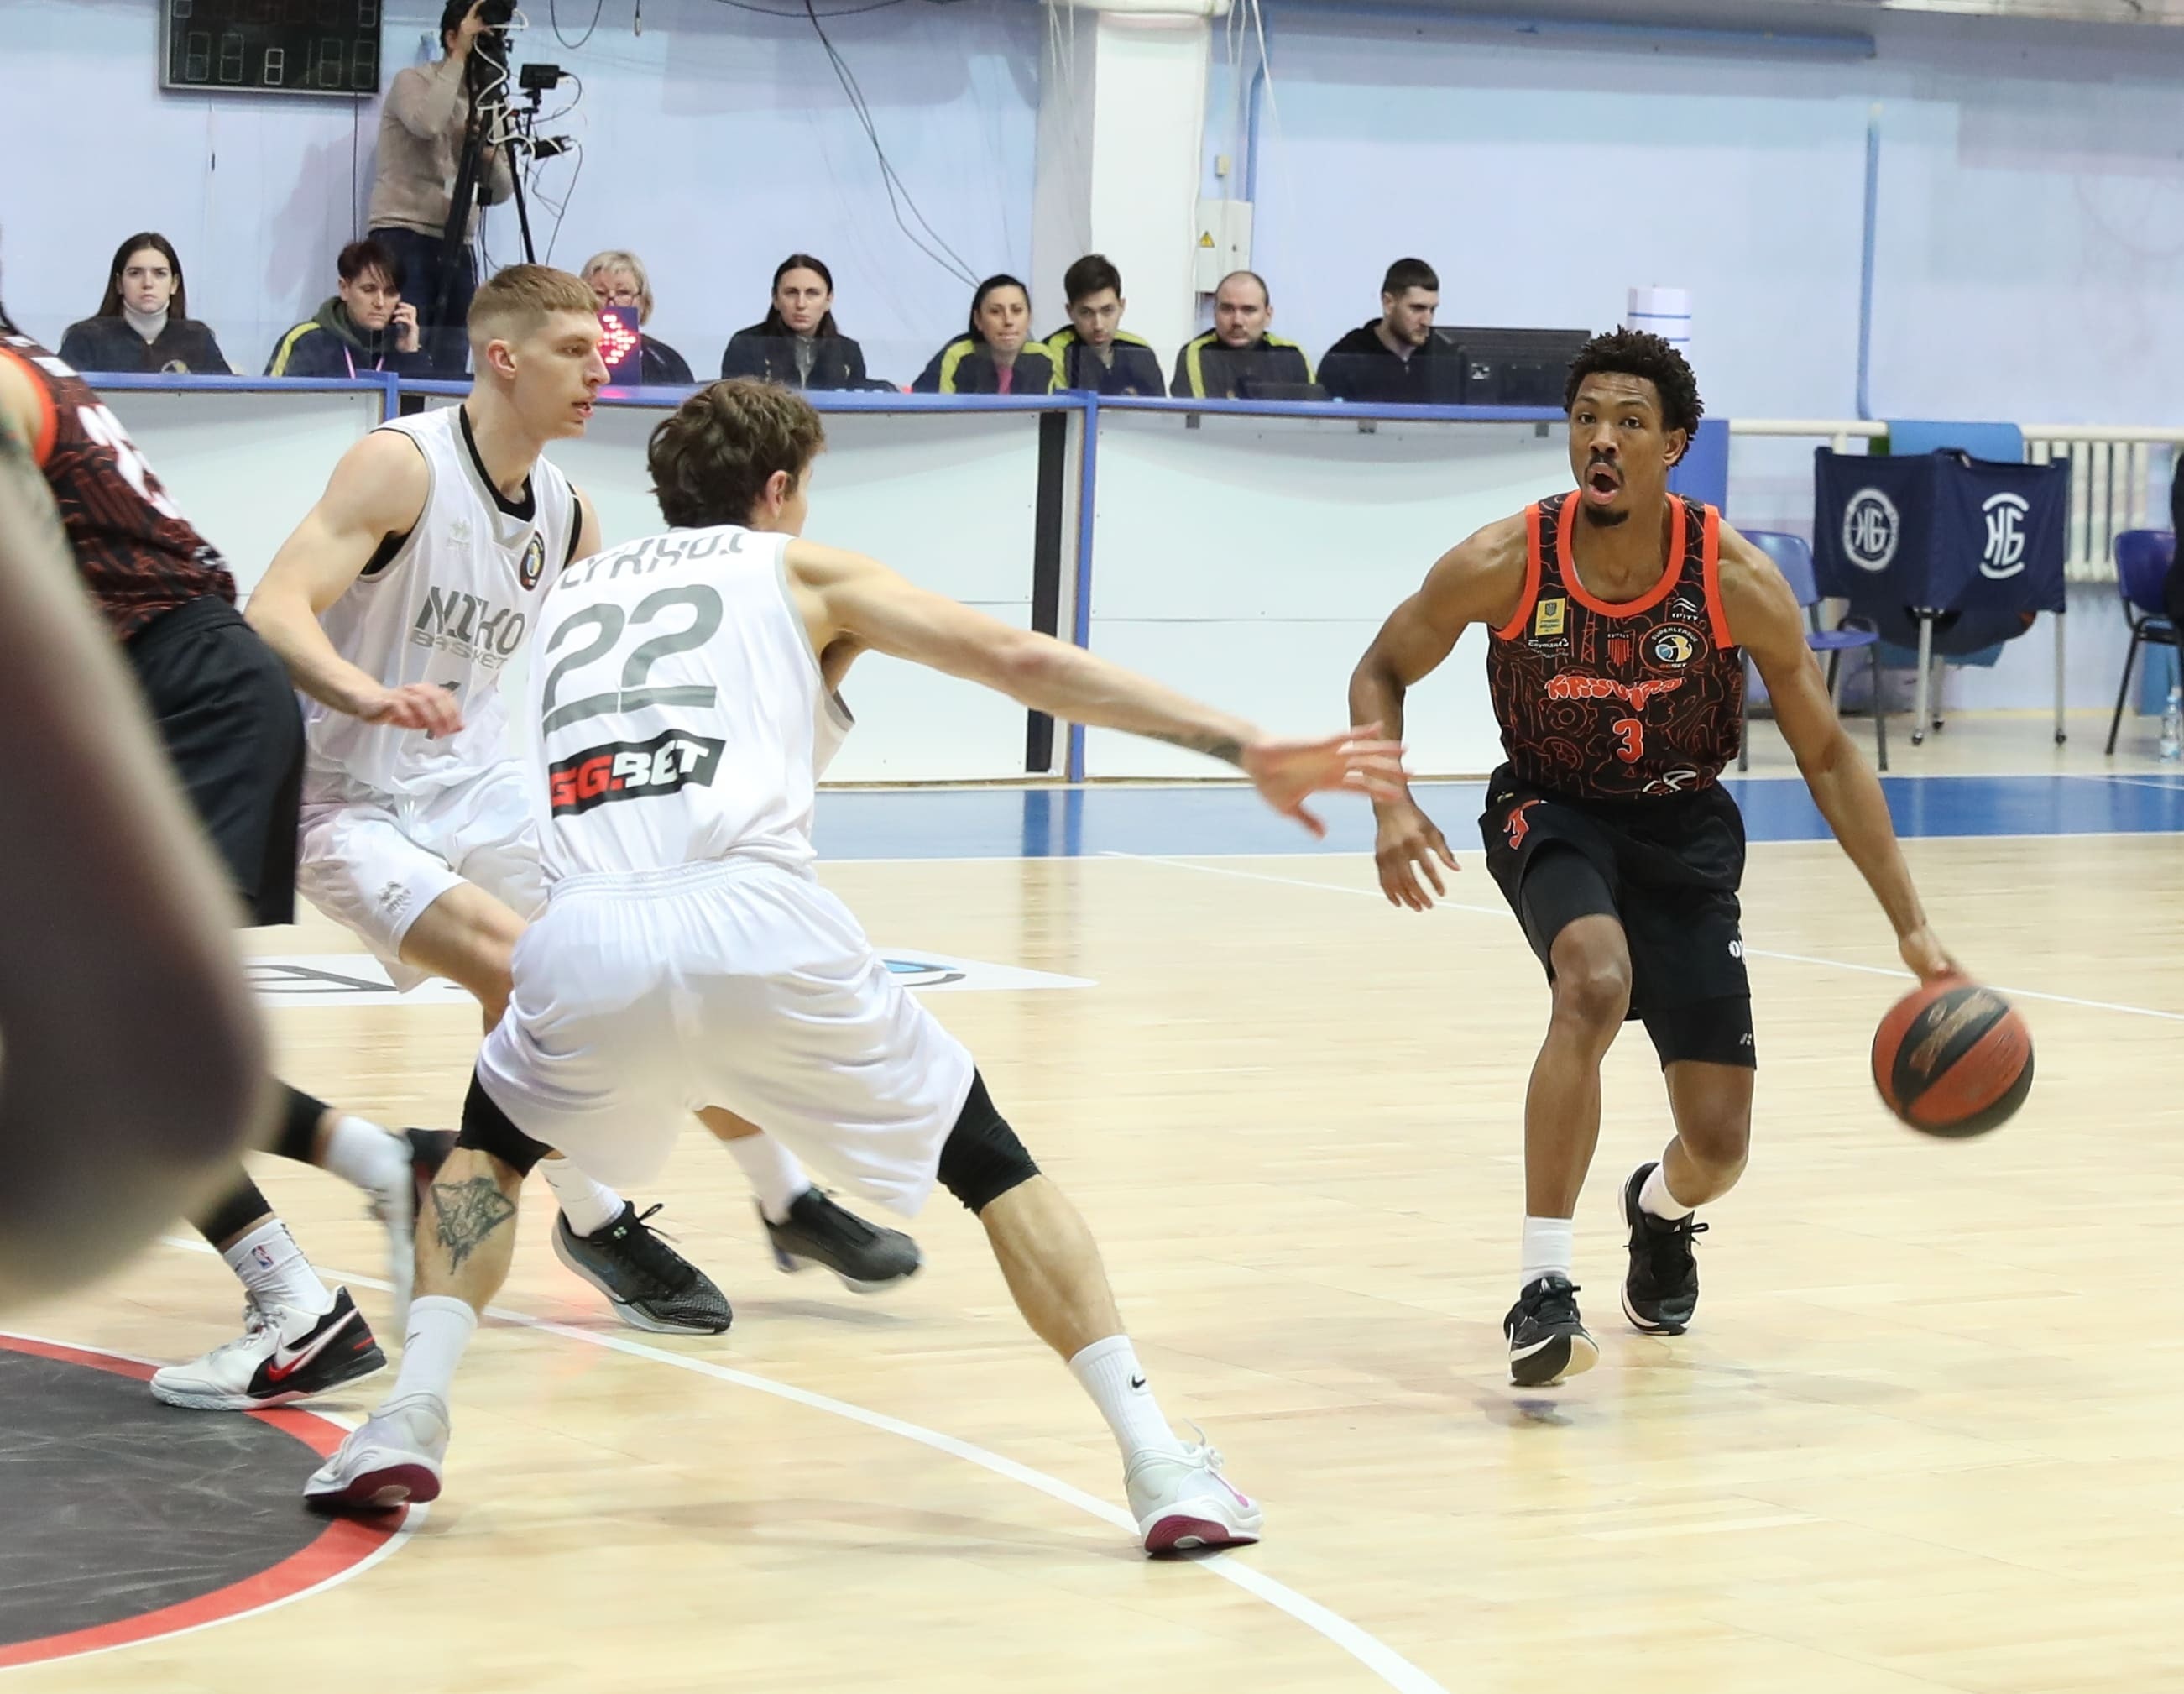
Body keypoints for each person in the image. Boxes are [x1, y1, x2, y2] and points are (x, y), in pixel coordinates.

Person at [303, 377, 1405, 1550]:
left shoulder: (571, 592)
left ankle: (408, 1417)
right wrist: (1240, 741)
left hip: (583, 933)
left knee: (489, 1153)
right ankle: (1160, 1461)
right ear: (780, 488)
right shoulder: (800, 571)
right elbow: (1014, 656)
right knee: (995, 1167)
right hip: (755, 918)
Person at [245, 264, 921, 1338]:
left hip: (475, 782)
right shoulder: (400, 465)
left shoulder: (567, 513)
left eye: (601, 349)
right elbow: (274, 607)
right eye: (573, 350)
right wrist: (363, 691)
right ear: (502, 357)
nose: (599, 369)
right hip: (344, 796)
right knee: (530, 972)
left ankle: (784, 1195)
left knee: (652, 957)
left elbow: (605, 672)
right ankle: (595, 1218)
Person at [1348, 328, 1958, 1388]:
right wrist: (1389, 803)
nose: (1602, 438)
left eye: (1629, 422)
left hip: (1683, 828)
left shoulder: (1732, 576)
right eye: (1587, 418)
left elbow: (1824, 752)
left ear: (1673, 445)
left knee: (1718, 1147)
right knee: (1591, 980)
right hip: (1551, 808)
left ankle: (1659, 1210)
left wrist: (1910, 923)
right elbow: (1379, 669)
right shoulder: (1507, 560)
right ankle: (1543, 1283)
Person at [3, 301, 424, 1406]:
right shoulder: (32, 367)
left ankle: (321, 1264)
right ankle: (368, 1188)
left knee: (106, 1037)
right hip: (186, 692)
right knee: (98, 1035)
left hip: (181, 697)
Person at [0, 322, 269, 1311]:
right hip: (196, 666)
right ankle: (358, 1178)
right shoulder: (40, 368)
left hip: (174, 675)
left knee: (143, 1042)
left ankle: (303, 1275)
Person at [366, 0, 514, 375]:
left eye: (494, 41)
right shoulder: (413, 80)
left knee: (454, 348)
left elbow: (502, 191)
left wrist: (485, 153)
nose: (488, 49)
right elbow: (427, 124)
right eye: (479, 39)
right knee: (403, 345)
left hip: (458, 240)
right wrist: (459, 57)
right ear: (451, 37)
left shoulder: (490, 101)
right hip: (404, 232)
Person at [57, 233, 233, 375]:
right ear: (119, 284)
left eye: (159, 273)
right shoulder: (85, 339)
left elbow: (228, 400)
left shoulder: (198, 339)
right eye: (135, 273)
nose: (148, 283)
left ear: (174, 284)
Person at [265, 238, 431, 379]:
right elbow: (268, 402)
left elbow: (426, 407)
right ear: (344, 288)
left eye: (390, 293)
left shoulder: (405, 348)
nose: (380, 303)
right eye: (369, 290)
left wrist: (411, 355)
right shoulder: (305, 341)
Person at [719, 255, 873, 391]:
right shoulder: (746, 344)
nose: (801, 304)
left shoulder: (848, 352)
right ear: (775, 298)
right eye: (791, 293)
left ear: (829, 300)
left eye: (812, 293)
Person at [1317, 258, 1457, 405]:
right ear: (1388, 303)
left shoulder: (1446, 358)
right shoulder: (1345, 359)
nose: (1427, 321)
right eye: (1417, 308)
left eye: (1432, 310)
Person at [1169, 272, 1311, 400]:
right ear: (1214, 313)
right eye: (1227, 309)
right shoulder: (1198, 353)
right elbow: (1203, 416)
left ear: (1268, 315)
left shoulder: (1291, 354)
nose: (1237, 321)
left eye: (1248, 310)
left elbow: (1313, 413)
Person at [913, 274, 1058, 396]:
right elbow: (942, 415)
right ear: (978, 319)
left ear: (1029, 318)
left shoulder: (1042, 357)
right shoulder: (959, 356)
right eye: (995, 312)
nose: (1008, 321)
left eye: (1017, 310)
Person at [1042, 254, 1163, 396]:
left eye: (1107, 310)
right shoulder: (1052, 352)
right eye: (1086, 313)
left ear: (1122, 306)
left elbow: (1161, 410)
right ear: (1070, 312)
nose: (1098, 325)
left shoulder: (1140, 350)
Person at [581, 249, 693, 386]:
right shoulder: (568, 357)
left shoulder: (666, 361)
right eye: (600, 293)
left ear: (643, 302)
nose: (611, 303)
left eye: (623, 293)